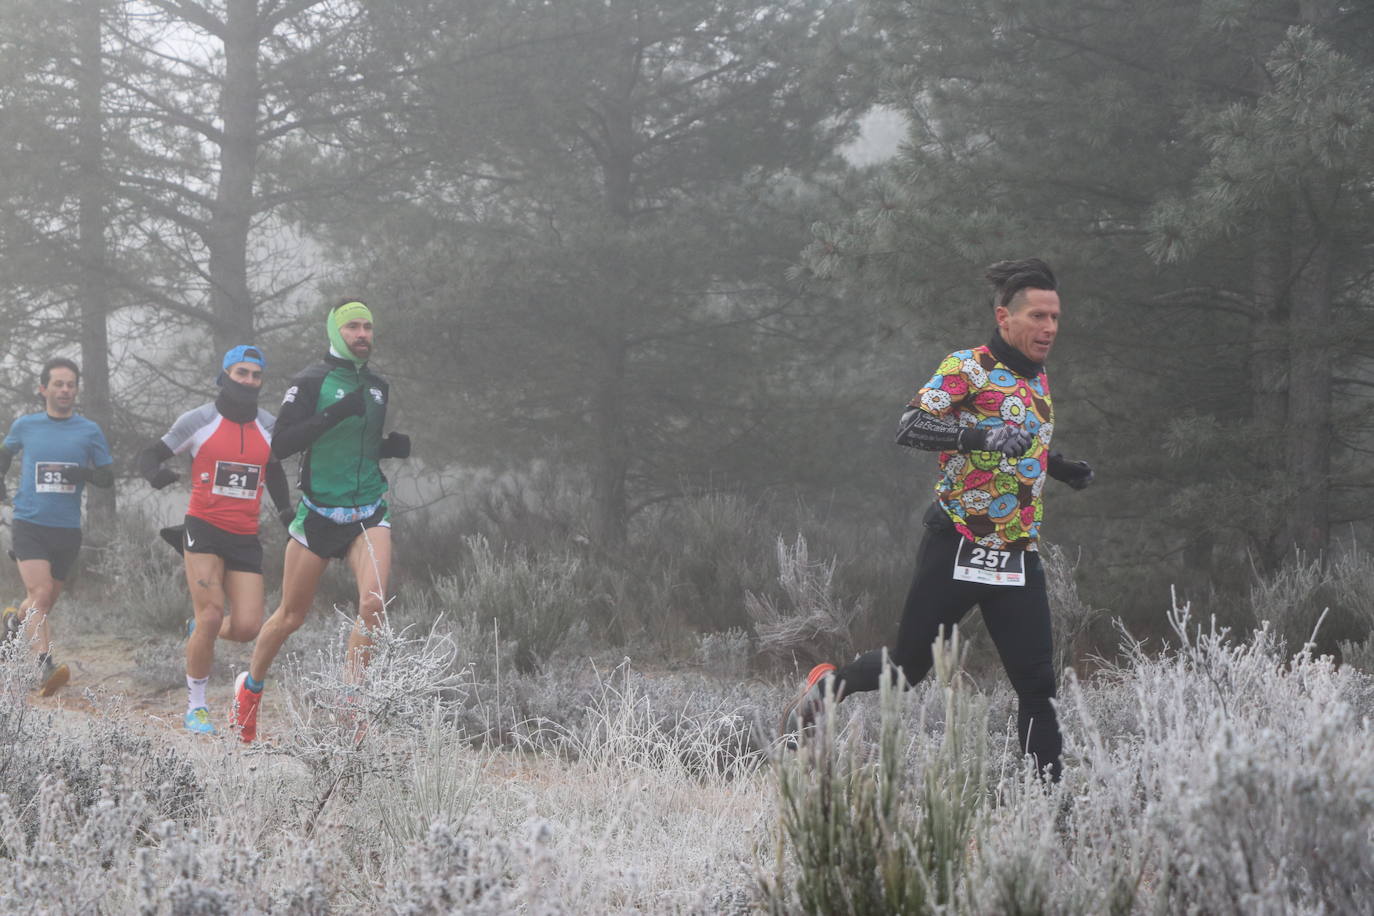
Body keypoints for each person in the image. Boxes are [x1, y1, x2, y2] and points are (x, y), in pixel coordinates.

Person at [782, 258, 1094, 780]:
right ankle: (825, 687)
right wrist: (976, 437)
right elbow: (911, 426)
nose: (1049, 329)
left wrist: (1059, 467)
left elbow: (1019, 437)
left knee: (1038, 685)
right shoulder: (966, 368)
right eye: (1038, 317)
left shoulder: (1036, 376)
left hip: (1016, 555)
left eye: (1055, 318)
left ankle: (1049, 803)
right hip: (957, 544)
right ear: (1004, 317)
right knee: (907, 672)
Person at [230, 300, 410, 743]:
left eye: (368, 326)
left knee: (372, 606)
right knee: (290, 616)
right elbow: (281, 445)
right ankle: (249, 689)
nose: (362, 334)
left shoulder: (378, 387)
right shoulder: (310, 381)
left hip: (368, 511)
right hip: (319, 515)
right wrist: (334, 412)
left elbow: (357, 447)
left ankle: (350, 706)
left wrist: (389, 448)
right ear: (334, 331)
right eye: (353, 326)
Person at [138, 346, 295, 735]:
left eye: (256, 375)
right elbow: (149, 455)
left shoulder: (267, 425)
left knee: (245, 626)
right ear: (224, 376)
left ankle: (199, 629)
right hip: (203, 527)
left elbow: (273, 471)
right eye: (241, 373)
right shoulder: (199, 420)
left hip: (244, 534)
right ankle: (197, 707)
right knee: (212, 613)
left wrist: (286, 510)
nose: (249, 381)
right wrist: (155, 474)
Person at [0, 358, 114, 694]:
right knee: (40, 593)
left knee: (43, 602)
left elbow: (107, 477)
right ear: (43, 388)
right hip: (29, 521)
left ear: (76, 390)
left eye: (70, 385)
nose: (65, 390)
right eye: (59, 384)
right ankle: (44, 667)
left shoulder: (89, 430)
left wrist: (85, 474)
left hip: (66, 528)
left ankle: (11, 624)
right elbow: (4, 454)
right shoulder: (26, 425)